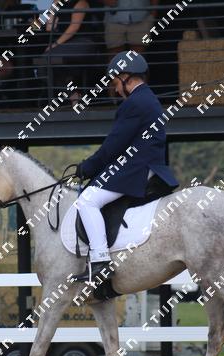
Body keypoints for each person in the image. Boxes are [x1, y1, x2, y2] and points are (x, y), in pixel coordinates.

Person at [72, 51, 179, 283]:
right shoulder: (148, 98)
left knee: (87, 200)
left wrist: (87, 167)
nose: (116, 89)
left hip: (137, 167)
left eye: (115, 83)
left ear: (125, 77)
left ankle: (100, 260)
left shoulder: (134, 103)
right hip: (146, 164)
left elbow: (113, 146)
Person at [40, 0, 98, 105]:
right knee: (44, 63)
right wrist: (53, 6)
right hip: (64, 46)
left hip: (82, 44)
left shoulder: (81, 2)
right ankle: (72, 94)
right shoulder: (59, 5)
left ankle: (72, 94)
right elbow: (49, 28)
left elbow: (74, 27)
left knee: (46, 59)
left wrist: (55, 44)